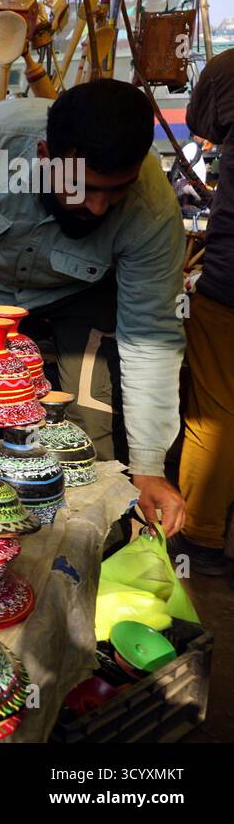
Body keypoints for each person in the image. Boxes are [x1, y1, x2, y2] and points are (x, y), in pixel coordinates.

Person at [0, 79, 186, 536]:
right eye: (84, 187)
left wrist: (147, 468)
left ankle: (75, 550)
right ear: (45, 156)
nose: (100, 207)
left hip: (79, 298)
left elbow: (151, 339)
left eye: (116, 190)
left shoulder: (153, 211)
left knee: (90, 446)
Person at [175, 47, 234, 572]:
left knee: (214, 413)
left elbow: (199, 123)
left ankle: (201, 538)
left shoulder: (228, 67)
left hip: (228, 283)